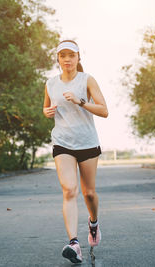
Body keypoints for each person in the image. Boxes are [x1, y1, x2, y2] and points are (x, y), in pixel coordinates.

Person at [43, 40, 108, 263]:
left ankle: (94, 223)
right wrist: (47, 112)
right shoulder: (51, 83)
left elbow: (104, 110)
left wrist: (81, 101)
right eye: (63, 55)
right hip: (62, 142)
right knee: (69, 190)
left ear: (78, 57)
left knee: (89, 192)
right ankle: (74, 243)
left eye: (71, 55)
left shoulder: (87, 80)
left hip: (87, 142)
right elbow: (46, 107)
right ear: (58, 59)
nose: (67, 59)